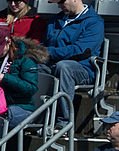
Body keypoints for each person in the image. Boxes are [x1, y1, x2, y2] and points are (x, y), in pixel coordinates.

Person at [44, 0, 105, 128]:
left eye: (61, 2)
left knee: (64, 67)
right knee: (32, 67)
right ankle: (34, 117)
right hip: (53, 62)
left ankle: (64, 121)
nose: (59, 6)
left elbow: (79, 50)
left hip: (83, 68)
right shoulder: (55, 20)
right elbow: (45, 43)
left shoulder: (94, 22)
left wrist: (47, 52)